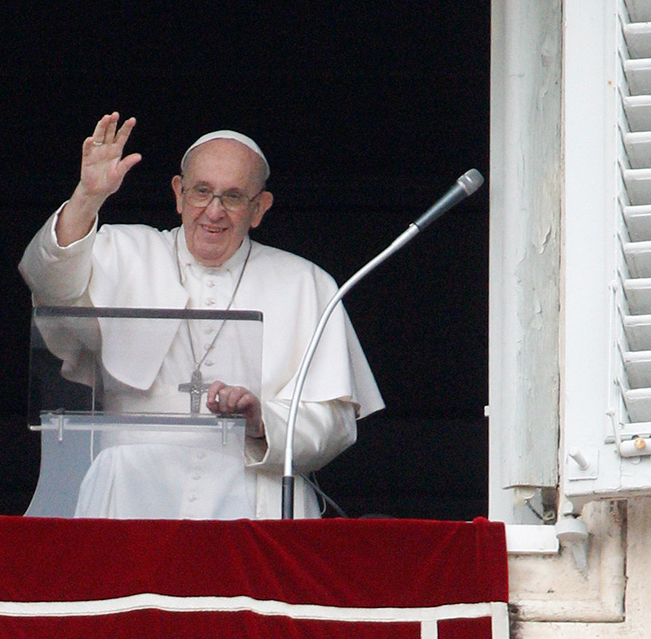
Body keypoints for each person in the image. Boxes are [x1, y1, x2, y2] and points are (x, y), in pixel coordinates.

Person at [19, 112, 384, 518]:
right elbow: (49, 283)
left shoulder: (306, 283)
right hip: (130, 496)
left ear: (259, 208)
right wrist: (88, 196)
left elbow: (334, 423)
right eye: (201, 192)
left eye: (232, 197)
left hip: (254, 499)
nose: (213, 212)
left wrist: (262, 421)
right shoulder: (122, 252)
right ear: (178, 193)